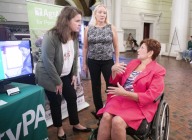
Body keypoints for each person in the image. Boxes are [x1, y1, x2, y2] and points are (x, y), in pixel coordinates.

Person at [35, 6, 91, 140]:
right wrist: (57, 81)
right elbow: (48, 62)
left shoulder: (75, 35)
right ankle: (59, 129)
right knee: (56, 102)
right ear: (66, 21)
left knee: (72, 97)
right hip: (49, 76)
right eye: (77, 21)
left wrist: (73, 73)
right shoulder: (51, 36)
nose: (80, 24)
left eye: (80, 20)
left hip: (65, 74)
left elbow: (74, 56)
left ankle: (75, 123)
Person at [96, 39, 166, 140]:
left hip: (139, 105)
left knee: (117, 121)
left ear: (150, 53)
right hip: (121, 99)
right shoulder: (134, 63)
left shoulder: (158, 70)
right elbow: (118, 80)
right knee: (106, 116)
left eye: (142, 48)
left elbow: (151, 96)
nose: (138, 50)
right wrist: (113, 71)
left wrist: (125, 93)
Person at [83, 4, 119, 115]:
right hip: (93, 61)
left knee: (111, 85)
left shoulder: (111, 27)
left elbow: (116, 47)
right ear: (95, 14)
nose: (102, 14)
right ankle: (99, 110)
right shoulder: (88, 28)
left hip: (107, 61)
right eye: (100, 12)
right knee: (95, 85)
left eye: (104, 13)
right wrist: (84, 63)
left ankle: (110, 108)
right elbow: (85, 47)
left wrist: (117, 62)